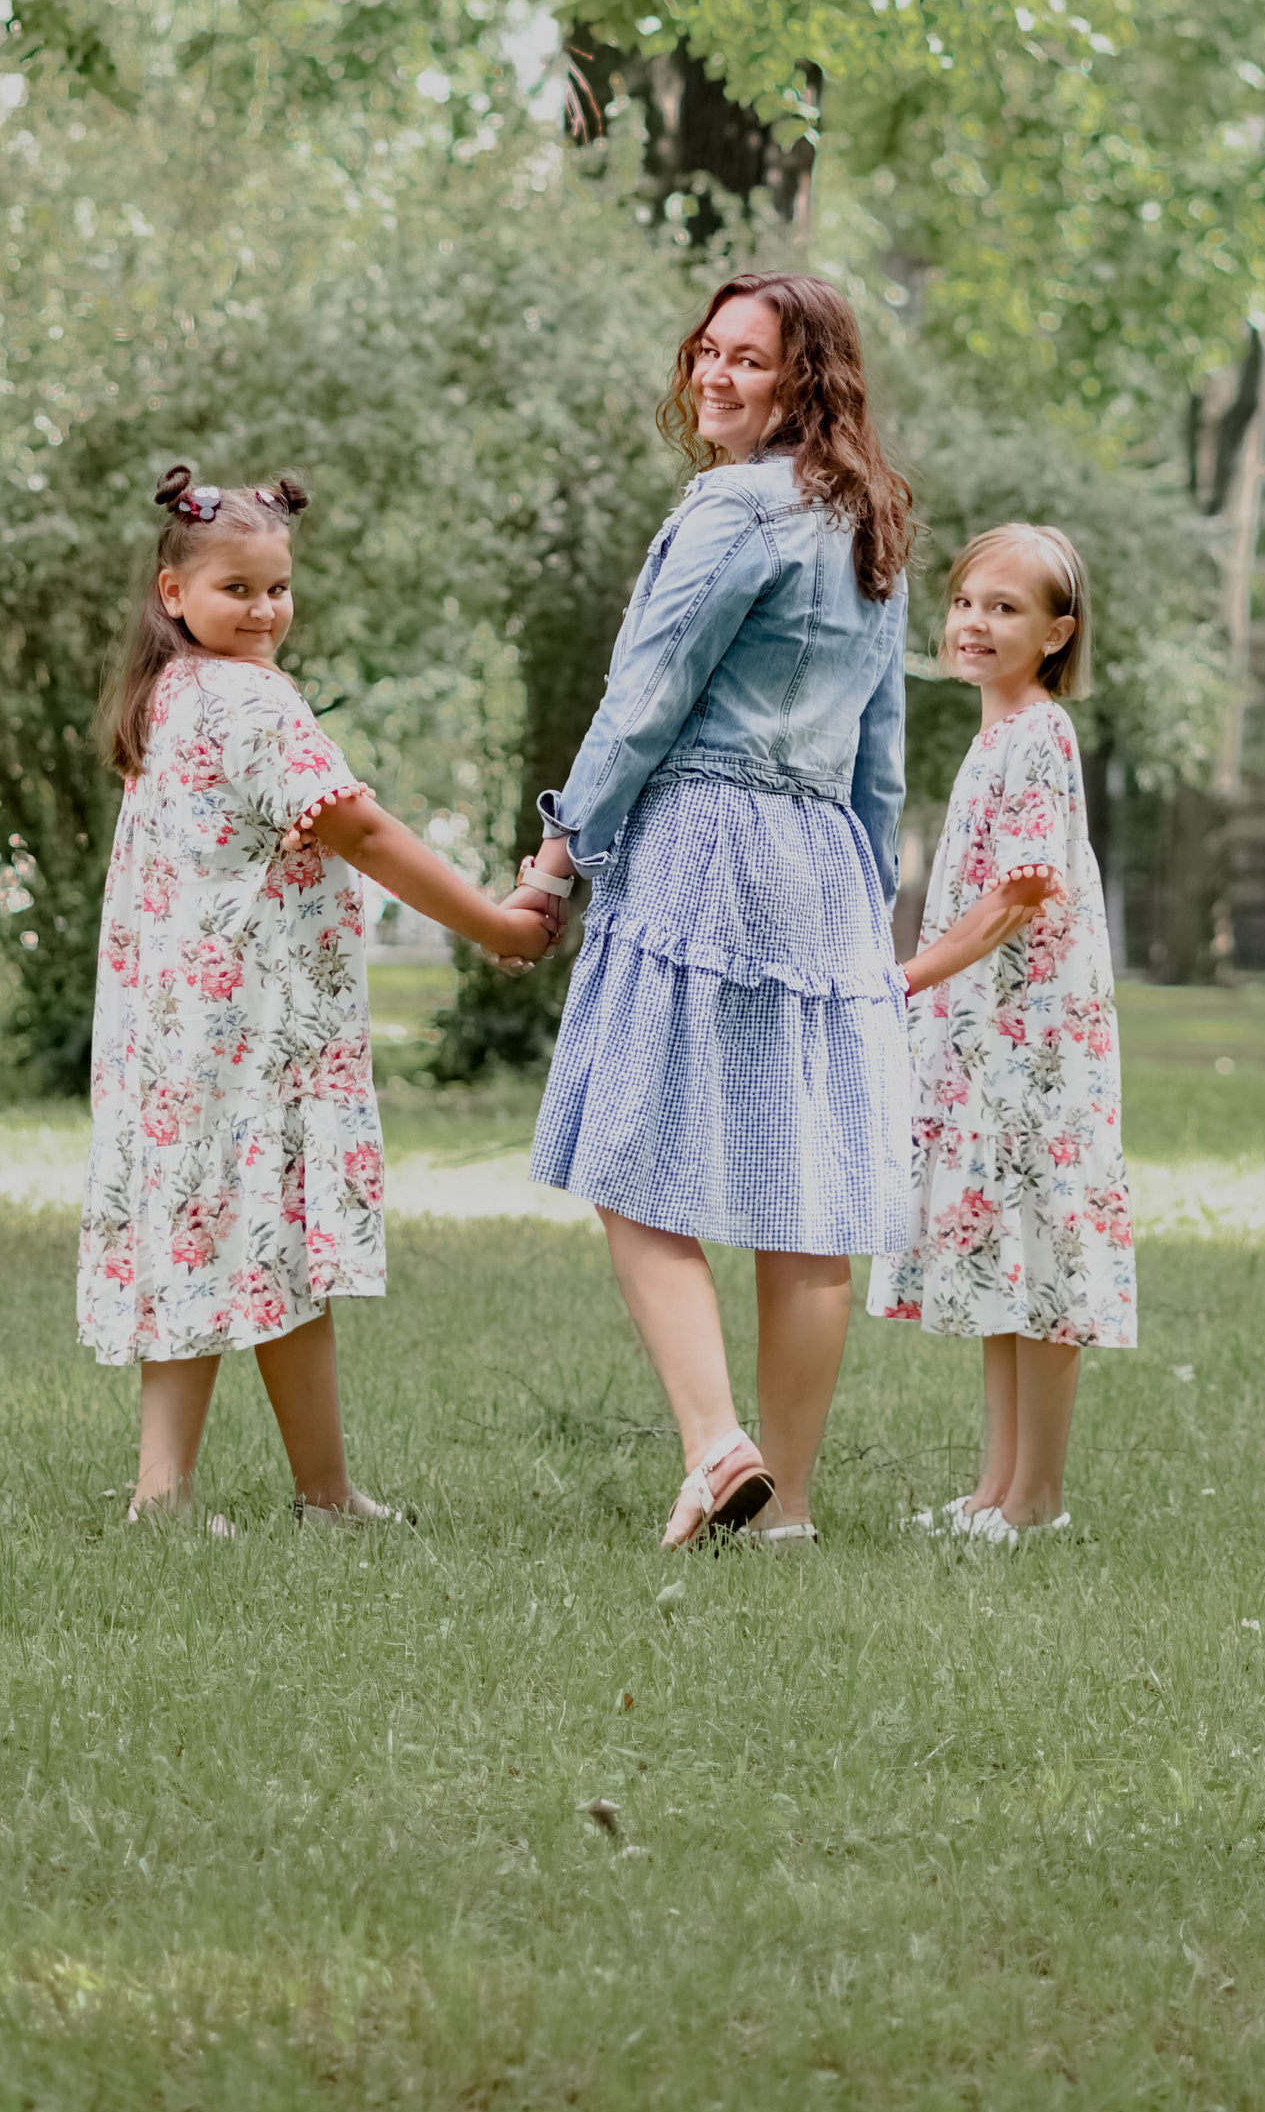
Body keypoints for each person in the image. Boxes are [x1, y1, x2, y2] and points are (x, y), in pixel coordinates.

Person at [511, 273, 914, 1551]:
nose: (716, 377)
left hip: (705, 843)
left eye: (751, 360)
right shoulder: (871, 521)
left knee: (629, 1154)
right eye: (709, 352)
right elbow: (881, 752)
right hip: (822, 866)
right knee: (808, 1190)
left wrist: (560, 848)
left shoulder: (735, 509)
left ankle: (715, 1445)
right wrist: (868, 883)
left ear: (810, 382)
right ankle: (781, 1511)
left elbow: (647, 697)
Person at [78, 465, 551, 1527]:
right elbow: (362, 829)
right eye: (236, 589)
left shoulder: (168, 698)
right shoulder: (247, 699)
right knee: (255, 1240)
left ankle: (243, 1492)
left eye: (277, 588)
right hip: (252, 1025)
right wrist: (497, 925)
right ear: (173, 593)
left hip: (175, 1029)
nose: (264, 611)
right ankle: (251, 1492)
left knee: (215, 1237)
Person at [871, 523, 1136, 1543]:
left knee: (1046, 1258)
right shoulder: (996, 736)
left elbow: (1024, 891)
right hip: (989, 1042)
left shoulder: (1038, 735)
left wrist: (904, 977)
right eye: (968, 603)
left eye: (1007, 609)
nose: (975, 624)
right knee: (1002, 1264)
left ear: (1056, 633)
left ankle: (1037, 1500)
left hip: (1037, 1047)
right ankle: (992, 1488)